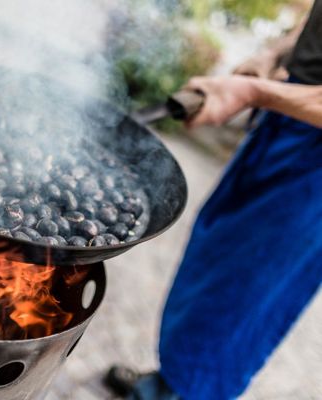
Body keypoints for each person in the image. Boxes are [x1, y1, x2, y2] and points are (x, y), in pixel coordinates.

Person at [105, 1, 322, 399]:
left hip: (314, 174)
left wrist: (256, 91)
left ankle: (183, 393)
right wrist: (271, 55)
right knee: (215, 264)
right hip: (286, 122)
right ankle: (168, 384)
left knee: (245, 294)